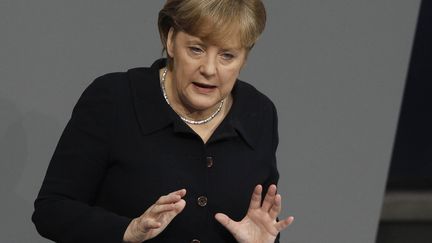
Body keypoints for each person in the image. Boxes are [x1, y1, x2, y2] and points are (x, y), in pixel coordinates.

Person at [32, 0, 294, 242]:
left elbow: (261, 221)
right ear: (170, 40)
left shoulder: (258, 113)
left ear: (244, 58)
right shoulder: (115, 100)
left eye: (227, 55)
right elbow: (51, 210)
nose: (209, 69)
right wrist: (128, 230)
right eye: (196, 49)